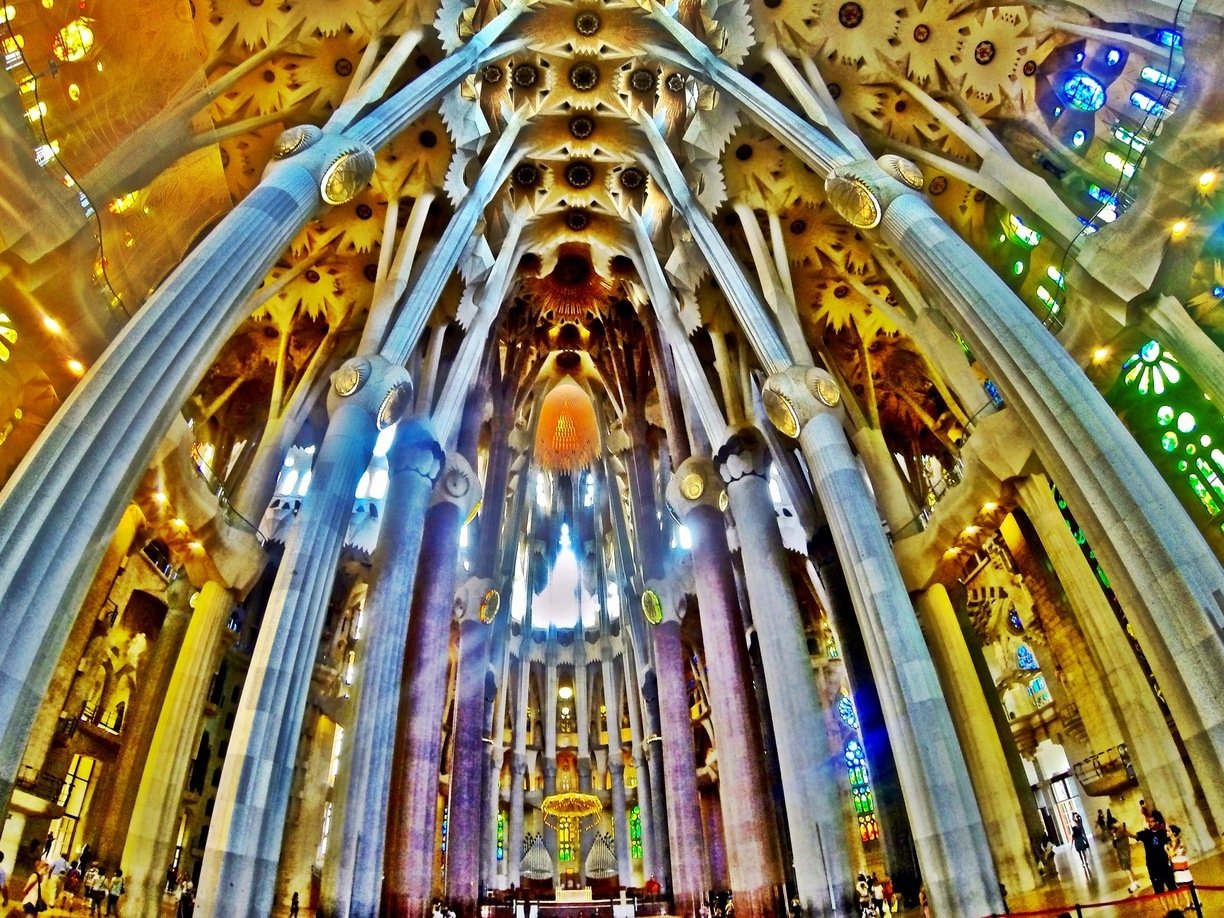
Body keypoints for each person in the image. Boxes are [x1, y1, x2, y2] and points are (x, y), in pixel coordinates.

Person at [1129, 810, 1176, 893]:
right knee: (1158, 890)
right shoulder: (1145, 834)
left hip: (1164, 864)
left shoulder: (1163, 833)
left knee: (1172, 886)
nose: (1150, 824)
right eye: (1149, 822)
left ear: (1157, 822)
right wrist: (1124, 830)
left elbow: (1171, 840)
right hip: (1153, 866)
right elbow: (1133, 835)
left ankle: (1177, 905)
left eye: (1152, 822)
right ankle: (1166, 906)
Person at [1111, 824, 1140, 893]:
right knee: (1129, 868)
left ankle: (1133, 883)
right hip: (1124, 852)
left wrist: (1114, 836)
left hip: (1123, 854)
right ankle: (1135, 882)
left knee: (1127, 868)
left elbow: (1115, 843)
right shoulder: (1122, 832)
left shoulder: (1118, 834)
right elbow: (1133, 836)